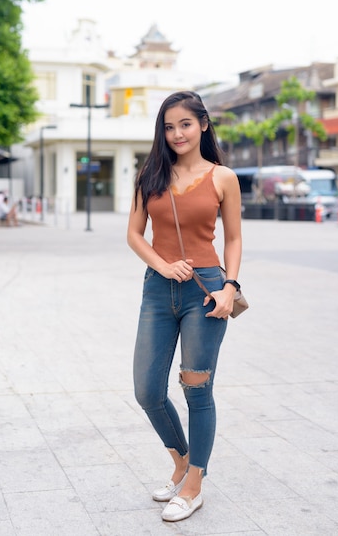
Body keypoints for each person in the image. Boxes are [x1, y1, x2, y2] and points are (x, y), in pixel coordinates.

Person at [127, 91, 242, 522]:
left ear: (203, 125)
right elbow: (135, 233)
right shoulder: (150, 174)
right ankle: (181, 461)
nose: (177, 133)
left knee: (197, 389)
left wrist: (230, 287)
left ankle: (193, 485)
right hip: (158, 290)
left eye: (185, 125)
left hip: (207, 291)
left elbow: (232, 238)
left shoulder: (222, 177)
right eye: (169, 126)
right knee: (147, 390)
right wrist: (162, 264)